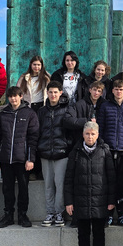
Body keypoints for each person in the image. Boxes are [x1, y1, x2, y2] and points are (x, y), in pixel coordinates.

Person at [64, 122, 116, 246]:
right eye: (87, 134)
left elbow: (111, 178)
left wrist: (111, 200)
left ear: (98, 135)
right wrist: (68, 201)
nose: (90, 137)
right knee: (83, 235)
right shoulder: (76, 152)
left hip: (100, 202)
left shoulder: (105, 151)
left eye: (93, 134)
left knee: (99, 235)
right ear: (83, 135)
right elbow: (68, 179)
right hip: (81, 201)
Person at [0, 86, 40, 228]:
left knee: (23, 188)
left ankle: (22, 215)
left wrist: (30, 158)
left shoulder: (29, 113)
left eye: (16, 96)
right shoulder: (3, 114)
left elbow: (33, 138)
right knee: (7, 189)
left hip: (22, 159)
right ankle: (8, 215)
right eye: (11, 96)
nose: (13, 99)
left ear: (21, 96)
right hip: (6, 159)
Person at [97, 79, 123, 226]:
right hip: (108, 150)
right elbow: (100, 127)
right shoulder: (105, 106)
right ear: (112, 91)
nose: (118, 91)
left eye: (121, 89)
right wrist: (102, 145)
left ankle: (122, 213)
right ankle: (108, 214)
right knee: (108, 183)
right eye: (116, 89)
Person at [36, 82, 72, 227]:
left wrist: (67, 144)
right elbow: (37, 131)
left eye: (55, 92)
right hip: (45, 153)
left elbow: (71, 130)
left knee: (60, 184)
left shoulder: (67, 109)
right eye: (50, 92)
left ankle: (59, 213)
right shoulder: (42, 111)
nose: (53, 95)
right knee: (49, 185)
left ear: (60, 93)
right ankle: (50, 212)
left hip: (61, 153)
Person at [66, 80, 105, 147]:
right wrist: (86, 121)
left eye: (99, 91)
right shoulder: (79, 104)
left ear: (101, 93)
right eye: (94, 90)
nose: (96, 93)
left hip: (100, 141)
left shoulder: (104, 105)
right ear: (90, 90)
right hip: (81, 141)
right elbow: (68, 120)